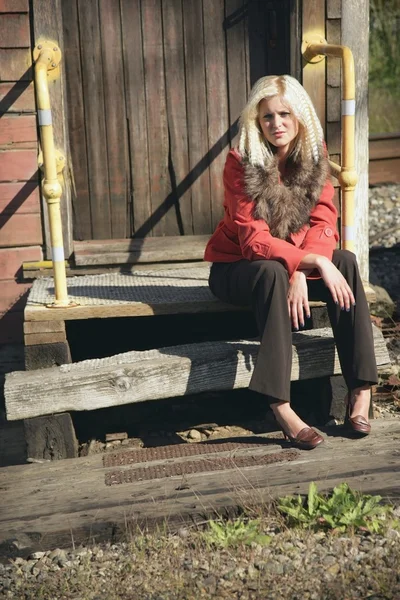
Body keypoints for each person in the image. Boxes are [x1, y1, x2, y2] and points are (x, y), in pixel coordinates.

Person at [204, 75, 378, 449]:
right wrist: (304, 263)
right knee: (271, 272)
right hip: (238, 270)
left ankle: (361, 389)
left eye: (284, 114)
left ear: (300, 117)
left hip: (285, 267)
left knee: (344, 261)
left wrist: (303, 266)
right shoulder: (241, 164)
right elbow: (254, 242)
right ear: (257, 121)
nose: (276, 124)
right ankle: (280, 405)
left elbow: (323, 223)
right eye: (267, 117)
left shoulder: (315, 161)